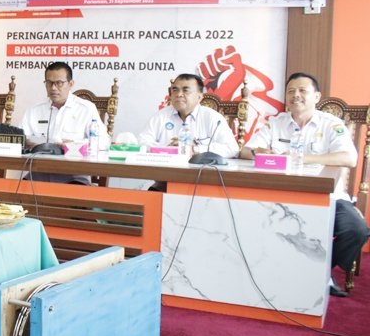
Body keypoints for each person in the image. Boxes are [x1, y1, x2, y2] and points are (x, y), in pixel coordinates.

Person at [240, 73, 370, 298]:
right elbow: (244, 151)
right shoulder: (276, 123)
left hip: (328, 197)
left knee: (356, 230)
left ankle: (321, 272)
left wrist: (299, 158)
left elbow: (349, 158)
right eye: (291, 91)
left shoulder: (331, 124)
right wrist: (261, 153)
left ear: (316, 96)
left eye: (302, 91)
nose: (296, 95)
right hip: (282, 197)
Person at [20, 62, 106, 185]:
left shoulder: (86, 109)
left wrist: (74, 146)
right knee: (15, 193)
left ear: (71, 84)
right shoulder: (34, 110)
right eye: (49, 83)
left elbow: (103, 142)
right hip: (38, 175)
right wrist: (30, 143)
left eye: (59, 83)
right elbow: (19, 139)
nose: (53, 88)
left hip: (73, 176)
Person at [139, 74, 239, 157]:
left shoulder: (212, 118)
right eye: (175, 90)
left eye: (185, 90)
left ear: (199, 97)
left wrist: (193, 149)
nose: (179, 94)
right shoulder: (160, 116)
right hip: (166, 171)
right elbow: (142, 142)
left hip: (202, 172)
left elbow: (232, 149)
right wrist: (168, 149)